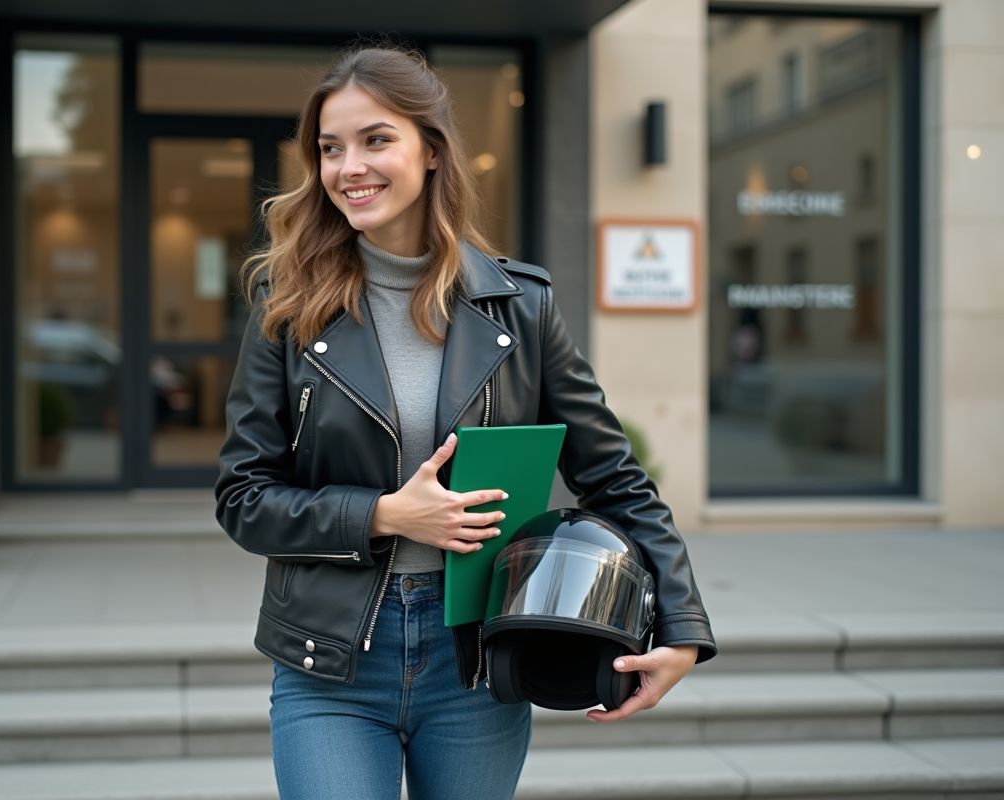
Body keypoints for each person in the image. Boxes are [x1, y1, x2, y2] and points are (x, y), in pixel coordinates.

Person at [215, 44, 717, 800]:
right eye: (330, 148)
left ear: (432, 151)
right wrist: (383, 515)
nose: (349, 166)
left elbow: (612, 474)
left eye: (375, 139)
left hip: (476, 660)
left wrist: (681, 624)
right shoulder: (286, 309)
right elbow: (243, 496)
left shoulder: (521, 307)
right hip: (332, 662)